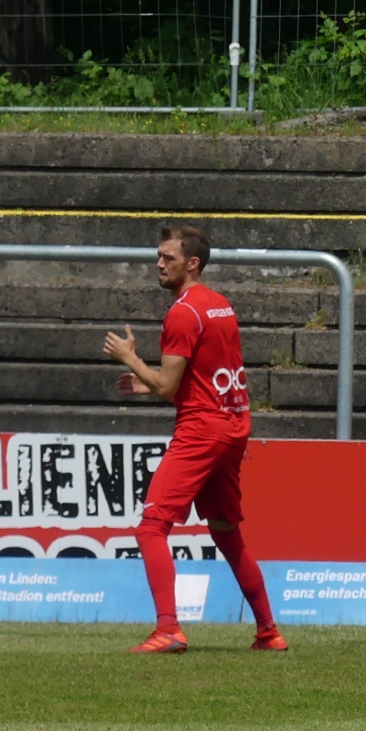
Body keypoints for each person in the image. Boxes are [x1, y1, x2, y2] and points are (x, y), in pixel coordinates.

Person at [102, 226, 285, 654]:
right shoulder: (219, 305)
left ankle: (168, 629)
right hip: (232, 425)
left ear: (192, 264)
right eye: (159, 256)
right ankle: (268, 632)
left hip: (202, 430)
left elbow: (169, 386)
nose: (159, 264)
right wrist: (151, 383)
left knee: (152, 527)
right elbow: (204, 375)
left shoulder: (183, 313)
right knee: (226, 533)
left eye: (168, 258)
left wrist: (131, 358)